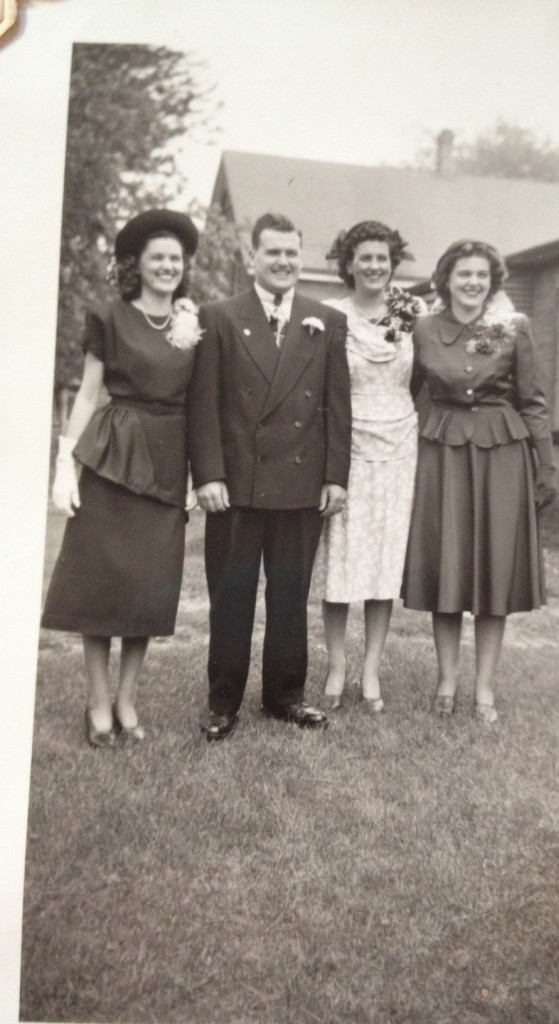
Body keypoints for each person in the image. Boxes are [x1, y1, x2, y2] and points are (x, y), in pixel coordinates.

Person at [187, 212, 351, 740]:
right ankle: (223, 701)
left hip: (302, 485)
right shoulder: (220, 316)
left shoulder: (325, 319)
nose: (283, 261)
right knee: (231, 594)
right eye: (272, 252)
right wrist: (208, 474)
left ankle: (285, 697)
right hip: (235, 485)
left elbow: (336, 407)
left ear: (301, 257)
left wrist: (335, 476)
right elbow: (203, 405)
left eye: (291, 252)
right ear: (252, 257)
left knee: (289, 596)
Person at [42, 209, 201, 747]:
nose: (166, 266)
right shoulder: (109, 317)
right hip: (113, 456)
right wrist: (65, 462)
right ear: (136, 264)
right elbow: (89, 392)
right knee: (101, 580)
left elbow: (201, 403)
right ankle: (96, 700)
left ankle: (128, 699)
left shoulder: (192, 323)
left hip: (167, 457)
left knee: (148, 587)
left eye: (175, 259)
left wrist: (201, 475)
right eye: (157, 257)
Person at [401, 240, 556, 724]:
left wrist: (545, 465)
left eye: (482, 276)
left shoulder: (514, 327)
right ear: (445, 279)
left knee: (494, 570)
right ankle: (446, 681)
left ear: (493, 283)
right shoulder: (422, 328)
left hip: (502, 456)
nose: (472, 282)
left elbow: (532, 400)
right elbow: (407, 395)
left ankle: (484, 688)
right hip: (442, 453)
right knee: (447, 563)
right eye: (463, 274)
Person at [313, 221, 425, 712]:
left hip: (401, 443)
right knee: (341, 559)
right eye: (365, 258)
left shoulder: (413, 312)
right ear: (349, 264)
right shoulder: (328, 315)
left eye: (383, 258)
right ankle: (337, 667)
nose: (375, 266)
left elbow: (427, 373)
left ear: (392, 263)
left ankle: (371, 670)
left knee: (383, 559)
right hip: (346, 444)